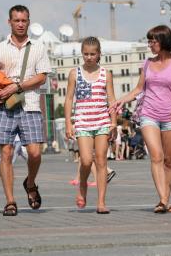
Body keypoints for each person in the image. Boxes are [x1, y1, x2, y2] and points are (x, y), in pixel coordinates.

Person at [0, 5, 51, 216]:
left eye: (23, 20)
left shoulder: (38, 47)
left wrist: (17, 86)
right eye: (16, 20)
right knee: (6, 153)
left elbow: (42, 76)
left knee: (35, 153)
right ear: (9, 22)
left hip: (30, 104)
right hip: (3, 107)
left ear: (28, 22)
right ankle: (10, 201)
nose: (20, 24)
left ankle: (31, 182)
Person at [110, 25, 171, 214]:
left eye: (153, 41)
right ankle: (163, 200)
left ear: (164, 41)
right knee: (156, 156)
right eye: (149, 41)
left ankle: (165, 200)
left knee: (169, 161)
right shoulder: (147, 63)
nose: (150, 44)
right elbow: (138, 89)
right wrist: (121, 100)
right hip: (149, 114)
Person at [65, 36, 117, 214]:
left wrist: (114, 122)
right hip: (82, 122)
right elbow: (69, 99)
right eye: (86, 54)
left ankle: (101, 202)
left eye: (92, 54)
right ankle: (82, 187)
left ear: (99, 54)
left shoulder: (106, 74)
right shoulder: (75, 73)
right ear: (82, 54)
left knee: (101, 161)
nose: (89, 57)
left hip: (102, 121)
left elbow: (111, 98)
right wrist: (68, 124)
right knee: (86, 160)